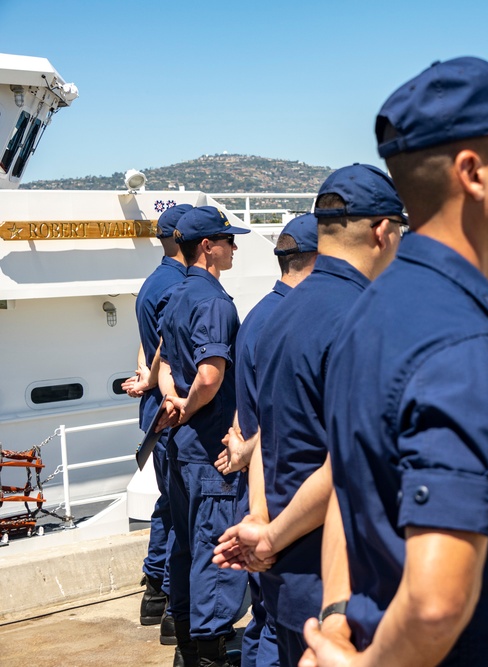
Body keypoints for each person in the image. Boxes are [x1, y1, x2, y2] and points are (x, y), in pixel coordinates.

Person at [299, 56, 488, 667]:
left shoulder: (367, 318)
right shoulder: (464, 343)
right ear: (473, 173)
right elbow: (435, 602)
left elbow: (349, 490)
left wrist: (339, 615)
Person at [215, 165, 405, 667]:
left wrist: (259, 520)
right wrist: (270, 536)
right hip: (340, 588)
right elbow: (346, 467)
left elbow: (263, 438)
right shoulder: (366, 320)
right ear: (384, 231)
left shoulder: (277, 317)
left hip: (281, 573)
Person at [220, 213, 319, 667]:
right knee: (283, 632)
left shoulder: (259, 315)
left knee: (265, 620)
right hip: (291, 494)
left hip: (258, 489)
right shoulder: (298, 320)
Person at [156, 205, 250, 667]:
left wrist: (173, 401)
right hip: (208, 445)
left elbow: (167, 364)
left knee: (184, 541)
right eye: (229, 239)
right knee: (215, 542)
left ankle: (189, 642)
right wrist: (189, 409)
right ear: (208, 247)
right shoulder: (214, 301)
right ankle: (211, 649)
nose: (235, 247)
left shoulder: (176, 295)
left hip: (179, 450)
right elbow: (211, 377)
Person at [122, 202, 191, 642]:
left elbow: (148, 344)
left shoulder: (153, 282)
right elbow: (168, 340)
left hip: (155, 409)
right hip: (175, 407)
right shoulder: (181, 286)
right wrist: (158, 379)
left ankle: (155, 591)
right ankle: (172, 604)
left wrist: (146, 373)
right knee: (183, 511)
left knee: (168, 504)